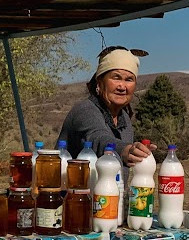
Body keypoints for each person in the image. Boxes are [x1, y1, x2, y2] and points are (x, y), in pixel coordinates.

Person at [57, 46, 155, 176]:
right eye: (116, 78)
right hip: (72, 194)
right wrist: (124, 150)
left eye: (129, 80)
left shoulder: (124, 119)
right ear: (99, 82)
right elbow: (98, 138)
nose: (122, 86)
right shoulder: (85, 110)